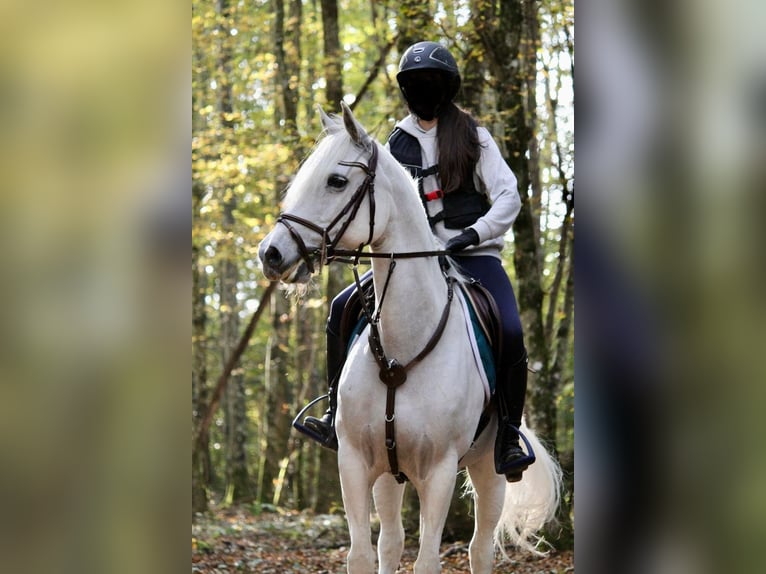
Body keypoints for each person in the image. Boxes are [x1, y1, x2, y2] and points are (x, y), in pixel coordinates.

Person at [301, 41, 531, 482]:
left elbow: (508, 195)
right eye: (416, 83)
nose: (425, 90)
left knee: (511, 329)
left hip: (473, 256)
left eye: (433, 82)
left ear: (448, 88)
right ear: (406, 90)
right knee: (339, 308)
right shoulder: (394, 143)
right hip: (409, 261)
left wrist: (473, 233)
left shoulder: (472, 134)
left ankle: (507, 435)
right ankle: (334, 412)